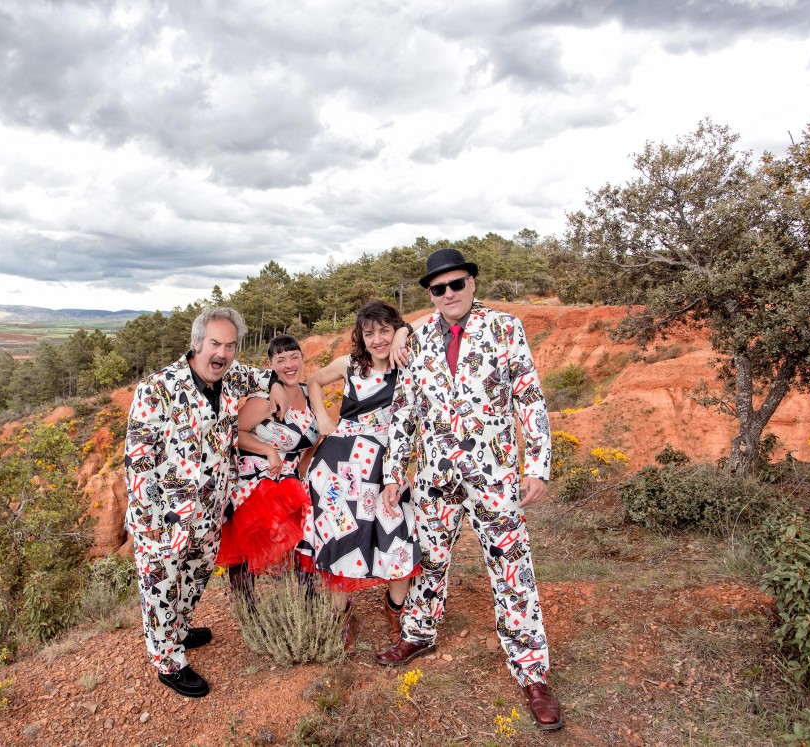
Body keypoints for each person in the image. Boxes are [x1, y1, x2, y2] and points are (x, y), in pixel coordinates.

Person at [378, 248, 563, 730]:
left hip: (494, 475)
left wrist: (537, 464)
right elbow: (405, 411)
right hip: (435, 477)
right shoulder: (415, 338)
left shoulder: (505, 328)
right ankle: (419, 632)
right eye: (438, 289)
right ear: (430, 295)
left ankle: (532, 674)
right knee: (429, 559)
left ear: (472, 283)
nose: (448, 294)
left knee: (511, 569)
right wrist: (396, 472)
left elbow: (528, 395)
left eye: (456, 284)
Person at [123, 307, 285, 698]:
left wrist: (276, 383)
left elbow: (268, 375)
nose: (223, 353)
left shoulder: (231, 377)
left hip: (211, 512)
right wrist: (151, 522)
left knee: (194, 580)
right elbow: (138, 460)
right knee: (162, 586)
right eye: (215, 343)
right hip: (163, 518)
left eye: (230, 346)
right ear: (197, 342)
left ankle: (178, 631)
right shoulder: (156, 387)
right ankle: (167, 661)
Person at [297, 300, 421, 647]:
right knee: (341, 537)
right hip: (341, 464)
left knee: (397, 535)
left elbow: (438, 313)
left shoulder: (408, 361)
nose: (378, 339)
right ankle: (342, 616)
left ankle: (395, 609)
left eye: (385, 330)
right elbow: (314, 381)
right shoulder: (350, 365)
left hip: (387, 463)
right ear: (361, 337)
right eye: (370, 333)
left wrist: (405, 331)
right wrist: (322, 417)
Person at [217, 334, 319, 594]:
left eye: (294, 357)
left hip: (292, 476)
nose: (289, 365)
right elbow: (232, 433)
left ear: (302, 359)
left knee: (309, 531)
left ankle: (305, 604)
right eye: (280, 359)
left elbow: (315, 438)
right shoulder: (263, 400)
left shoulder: (309, 394)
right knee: (248, 546)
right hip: (257, 477)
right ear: (271, 365)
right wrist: (268, 450)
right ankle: (247, 610)